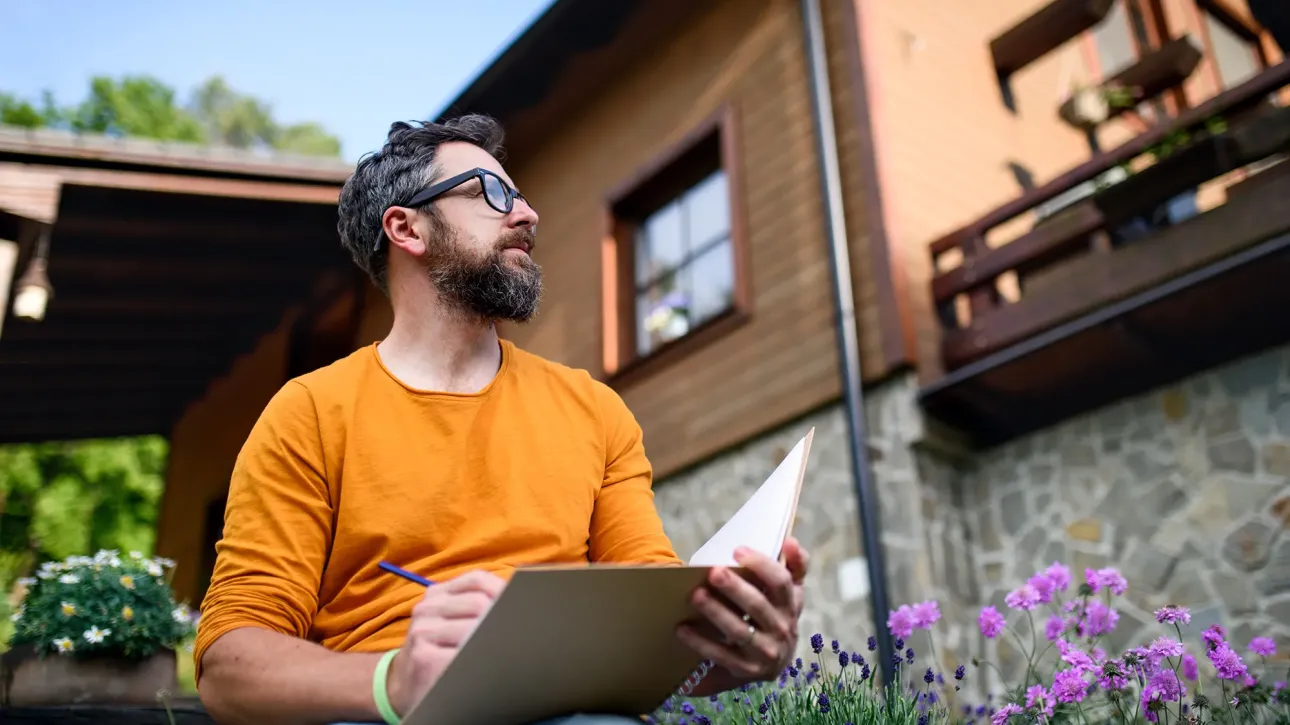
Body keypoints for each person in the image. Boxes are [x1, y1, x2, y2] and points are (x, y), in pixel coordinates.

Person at [193, 115, 811, 725]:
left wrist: (742, 650)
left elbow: (655, 639)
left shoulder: (593, 411)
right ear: (406, 228)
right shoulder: (310, 413)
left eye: (517, 194)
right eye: (490, 193)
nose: (526, 214)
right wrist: (394, 681)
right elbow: (230, 667)